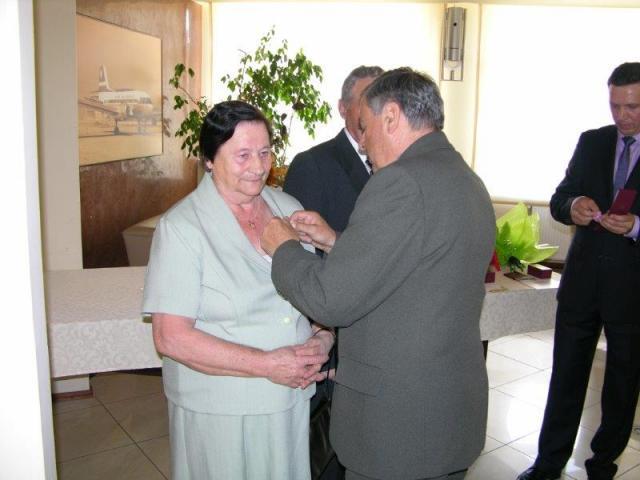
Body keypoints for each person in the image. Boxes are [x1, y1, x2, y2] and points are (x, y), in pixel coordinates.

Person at [261, 68, 496, 480]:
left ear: (391, 116)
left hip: (398, 426)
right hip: (446, 411)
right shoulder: (464, 177)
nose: (364, 143)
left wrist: (282, 246)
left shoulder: (400, 182)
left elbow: (329, 300)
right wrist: (336, 241)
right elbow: (416, 269)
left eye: (365, 128)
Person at [142, 100, 333, 480]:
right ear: (209, 160)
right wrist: (268, 364)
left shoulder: (287, 208)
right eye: (243, 155)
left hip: (288, 398)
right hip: (220, 408)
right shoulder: (182, 227)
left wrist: (323, 337)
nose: (259, 166)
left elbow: (311, 292)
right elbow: (170, 338)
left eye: (265, 152)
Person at [517, 62, 640, 480]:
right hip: (582, 285)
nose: (622, 116)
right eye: (615, 105)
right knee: (565, 378)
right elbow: (559, 198)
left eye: (632, 107)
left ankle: (602, 464)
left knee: (622, 385)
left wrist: (636, 226)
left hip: (631, 291)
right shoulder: (592, 142)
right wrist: (573, 206)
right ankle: (548, 463)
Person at [284, 64, 383, 480]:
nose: (377, 108)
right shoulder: (314, 164)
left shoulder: (398, 166)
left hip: (382, 333)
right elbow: (299, 253)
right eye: (367, 99)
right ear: (343, 108)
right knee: (328, 452)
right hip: (333, 332)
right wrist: (321, 331)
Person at [284, 65, 383, 233]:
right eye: (367, 102)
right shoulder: (311, 166)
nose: (375, 112)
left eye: (382, 104)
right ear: (343, 108)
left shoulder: (400, 163)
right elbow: (302, 242)